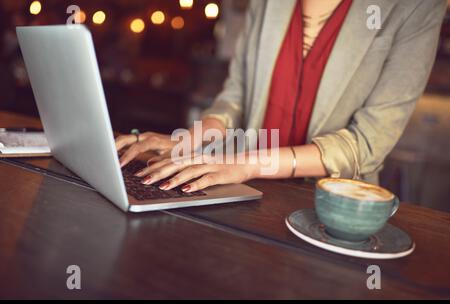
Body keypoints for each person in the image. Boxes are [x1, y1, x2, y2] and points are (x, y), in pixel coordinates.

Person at [116, 0, 447, 193]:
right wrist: (187, 142)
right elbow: (236, 97)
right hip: (247, 189)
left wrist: (243, 163)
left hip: (331, 207)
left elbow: (367, 144)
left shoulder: (416, 7)